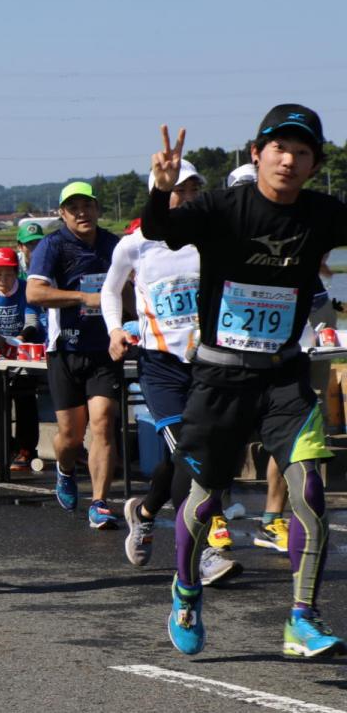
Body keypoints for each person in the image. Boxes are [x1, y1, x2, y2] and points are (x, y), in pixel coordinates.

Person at [144, 105, 344, 658]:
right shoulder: (222, 207)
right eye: (279, 148)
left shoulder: (323, 214)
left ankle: (302, 617)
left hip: (284, 379)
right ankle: (186, 591)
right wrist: (161, 189)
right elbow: (162, 230)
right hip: (219, 381)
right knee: (203, 500)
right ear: (257, 153)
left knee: (309, 489)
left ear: (313, 164)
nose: (289, 159)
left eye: (302, 152)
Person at [102, 161, 242, 586]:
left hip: (208, 363)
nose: (186, 197)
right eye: (177, 190)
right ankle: (207, 552)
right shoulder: (134, 245)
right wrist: (113, 331)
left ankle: (143, 511)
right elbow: (111, 289)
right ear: (158, 193)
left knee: (185, 456)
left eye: (193, 189)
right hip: (160, 366)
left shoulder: (210, 239)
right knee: (194, 455)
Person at [27, 181, 122, 530]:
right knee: (70, 435)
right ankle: (65, 469)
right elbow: (34, 292)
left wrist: (119, 300)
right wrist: (84, 298)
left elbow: (132, 286)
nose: (81, 212)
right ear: (63, 213)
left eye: (87, 205)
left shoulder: (113, 244)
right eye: (73, 207)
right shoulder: (53, 245)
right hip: (64, 349)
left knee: (103, 424)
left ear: (97, 208)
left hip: (103, 348)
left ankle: (99, 502)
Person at [0, 247, 44, 470]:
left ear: (16, 273)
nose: (4, 280)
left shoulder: (26, 289)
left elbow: (31, 321)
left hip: (23, 349)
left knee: (25, 399)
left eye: (9, 274)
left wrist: (17, 340)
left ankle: (26, 449)